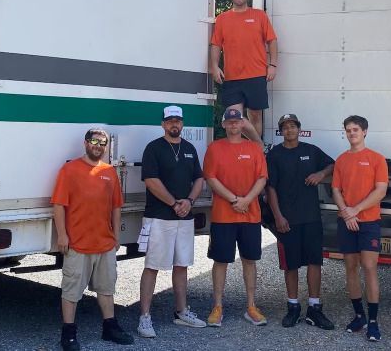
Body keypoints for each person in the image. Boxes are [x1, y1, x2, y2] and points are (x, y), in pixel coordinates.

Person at [51, 128, 133, 351]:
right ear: (85, 143)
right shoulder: (70, 170)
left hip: (105, 244)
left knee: (107, 288)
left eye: (102, 142)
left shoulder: (109, 172)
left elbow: (116, 207)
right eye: (94, 141)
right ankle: (68, 334)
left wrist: (116, 236)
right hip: (78, 243)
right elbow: (59, 205)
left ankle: (110, 327)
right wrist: (62, 235)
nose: (98, 146)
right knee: (71, 291)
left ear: (106, 147)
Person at [137, 105, 206, 337]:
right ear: (163, 124)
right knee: (152, 266)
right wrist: (174, 203)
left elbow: (199, 178)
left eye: (177, 121)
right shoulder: (154, 148)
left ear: (182, 123)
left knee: (181, 264)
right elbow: (151, 180)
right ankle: (144, 317)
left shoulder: (189, 148)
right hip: (159, 217)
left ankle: (181, 312)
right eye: (170, 121)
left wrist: (189, 201)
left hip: (184, 217)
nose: (174, 124)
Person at [266, 113, 335, 330]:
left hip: (311, 217)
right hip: (288, 220)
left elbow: (332, 164)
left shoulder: (310, 150)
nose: (289, 130)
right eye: (285, 127)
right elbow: (270, 188)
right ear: (281, 131)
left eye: (292, 126)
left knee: (315, 262)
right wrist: (278, 216)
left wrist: (320, 174)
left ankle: (314, 308)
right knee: (291, 265)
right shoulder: (275, 155)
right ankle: (293, 307)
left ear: (299, 129)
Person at [203, 108, 268, 327]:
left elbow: (262, 178)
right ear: (224, 125)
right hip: (224, 215)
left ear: (243, 125)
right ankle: (217, 306)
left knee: (250, 260)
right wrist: (234, 200)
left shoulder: (254, 148)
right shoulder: (215, 148)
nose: (233, 125)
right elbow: (211, 178)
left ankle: (251, 306)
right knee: (221, 260)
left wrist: (247, 200)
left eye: (237, 121)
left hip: (250, 214)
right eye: (229, 122)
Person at [331, 115, 388, 342]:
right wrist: (347, 212)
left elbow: (380, 190)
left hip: (369, 221)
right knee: (351, 267)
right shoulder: (341, 160)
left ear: (364, 132)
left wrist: (356, 210)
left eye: (355, 129)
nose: (351, 133)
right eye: (348, 130)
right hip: (347, 220)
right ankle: (359, 316)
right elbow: (336, 190)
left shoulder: (376, 159)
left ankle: (373, 322)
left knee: (369, 266)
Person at [210, 0, 278, 145]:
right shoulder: (222, 19)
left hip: (257, 74)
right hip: (232, 77)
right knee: (233, 114)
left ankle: (254, 152)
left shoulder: (259, 15)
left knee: (255, 115)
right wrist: (214, 66)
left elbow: (272, 40)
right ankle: (260, 146)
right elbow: (216, 45)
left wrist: (273, 65)